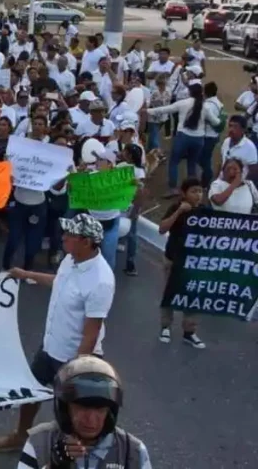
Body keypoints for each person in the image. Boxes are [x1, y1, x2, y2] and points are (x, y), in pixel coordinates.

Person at [0, 214, 115, 454]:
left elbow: (92, 330)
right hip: (49, 347)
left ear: (87, 242)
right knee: (30, 394)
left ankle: (73, 453)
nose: (63, 237)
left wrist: (77, 369)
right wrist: (26, 275)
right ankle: (20, 436)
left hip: (73, 357)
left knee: (70, 409)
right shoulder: (71, 258)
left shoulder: (101, 281)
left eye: (70, 235)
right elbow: (60, 282)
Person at [19, 356, 152, 469]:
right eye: (82, 408)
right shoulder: (39, 442)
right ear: (65, 409)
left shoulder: (133, 452)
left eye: (100, 409)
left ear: (110, 412)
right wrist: (55, 465)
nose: (91, 420)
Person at [157, 178, 206, 349]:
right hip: (173, 259)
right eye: (194, 191)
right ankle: (165, 327)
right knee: (169, 293)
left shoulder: (205, 211)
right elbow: (162, 228)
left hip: (194, 263)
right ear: (184, 193)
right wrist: (178, 211)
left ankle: (189, 332)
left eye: (200, 191)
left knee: (192, 296)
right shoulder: (175, 207)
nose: (198, 195)